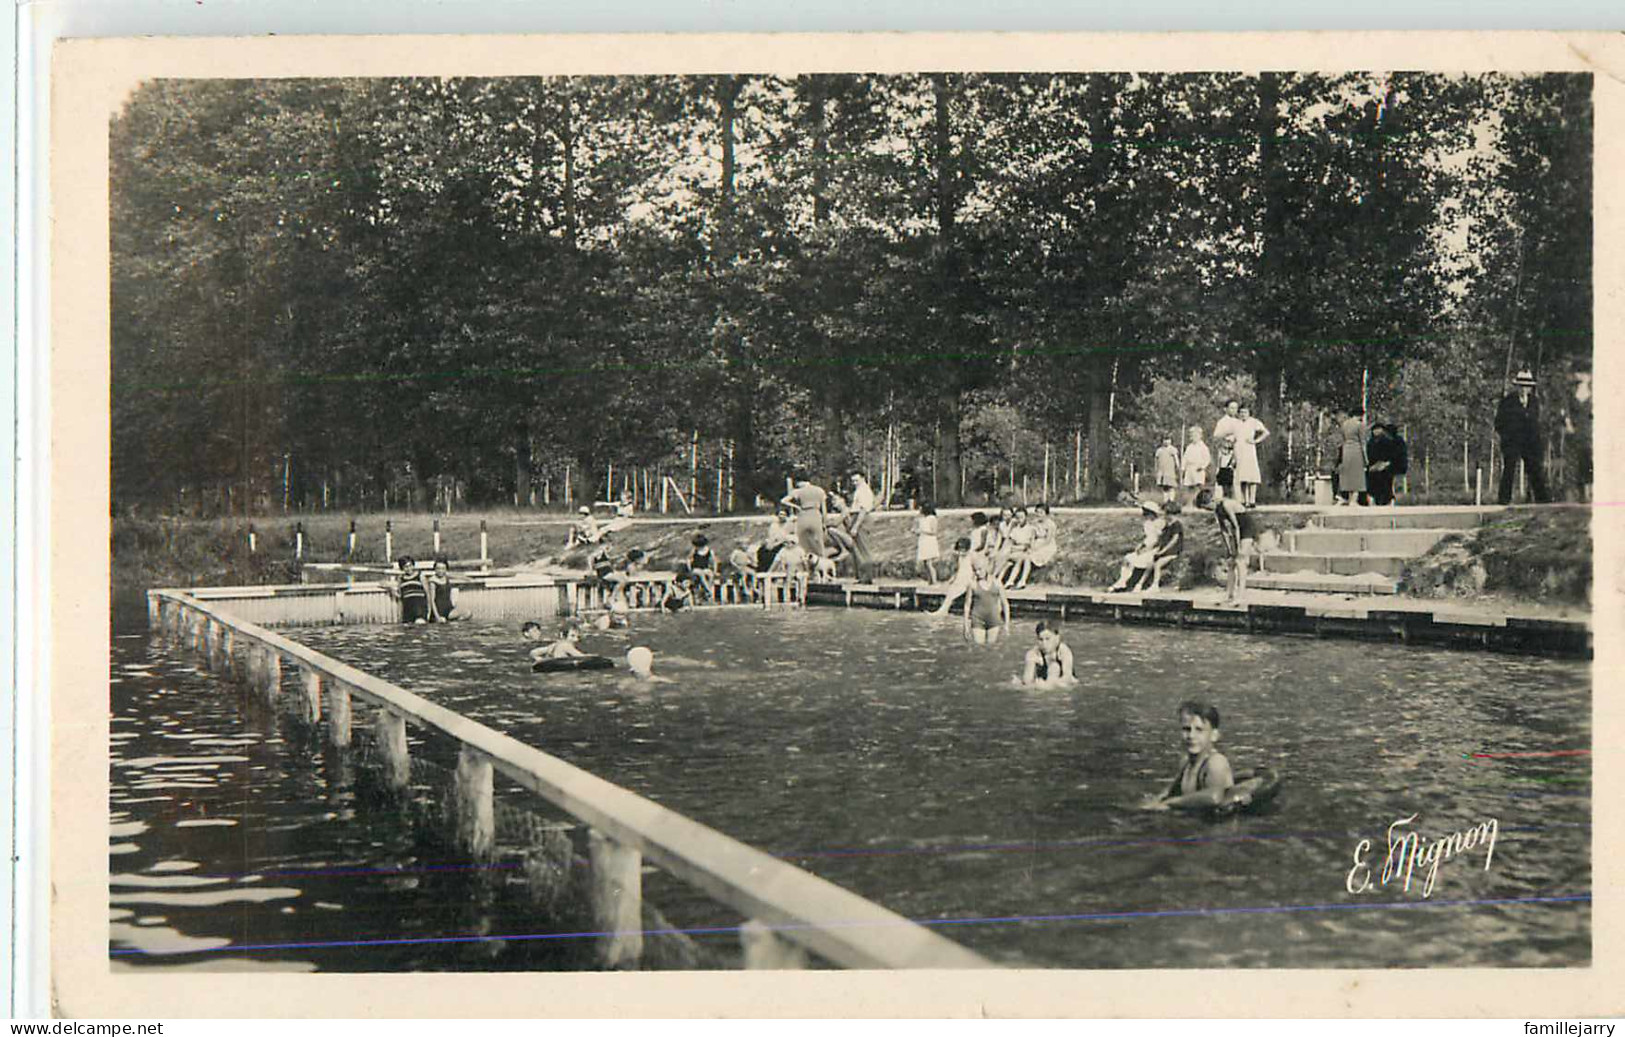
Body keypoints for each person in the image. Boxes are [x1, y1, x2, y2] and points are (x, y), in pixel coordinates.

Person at [1142, 700, 1236, 811]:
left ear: (1214, 735)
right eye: (1186, 729)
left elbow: (1214, 797)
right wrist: (1153, 802)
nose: (1191, 736)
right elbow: (1170, 791)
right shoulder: (1186, 762)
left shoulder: (1216, 762)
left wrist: (1170, 803)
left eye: (1199, 730)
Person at [1495, 369, 1551, 504]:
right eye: (1521, 386)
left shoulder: (1534, 402)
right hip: (1512, 441)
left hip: (1530, 442)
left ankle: (1542, 501)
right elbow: (1499, 422)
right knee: (1509, 469)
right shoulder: (1507, 401)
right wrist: (1507, 435)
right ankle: (1504, 500)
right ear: (1517, 386)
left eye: (1526, 386)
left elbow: (1536, 422)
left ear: (1530, 387)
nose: (1524, 389)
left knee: (1535, 469)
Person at [1108, 501, 1167, 593]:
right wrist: (1141, 545)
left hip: (1156, 548)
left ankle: (1139, 584)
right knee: (1128, 558)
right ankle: (1122, 581)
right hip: (1147, 547)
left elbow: (1159, 540)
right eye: (1145, 514)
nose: (1146, 516)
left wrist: (1148, 549)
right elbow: (1148, 538)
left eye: (1147, 513)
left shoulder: (1160, 523)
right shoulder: (1147, 523)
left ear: (1153, 513)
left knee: (1146, 559)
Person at [1214, 496, 1260, 602]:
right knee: (1231, 562)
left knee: (1240, 561)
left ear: (1211, 501)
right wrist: (1229, 549)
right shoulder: (1216, 510)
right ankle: (1229, 594)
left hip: (1247, 528)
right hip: (1238, 531)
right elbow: (1224, 530)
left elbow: (1236, 526)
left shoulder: (1226, 504)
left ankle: (1241, 593)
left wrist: (1238, 546)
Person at [961, 556, 1011, 646]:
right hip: (977, 619)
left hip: (994, 619)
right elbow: (967, 606)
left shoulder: (997, 583)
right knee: (979, 647)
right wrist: (966, 626)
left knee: (991, 648)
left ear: (986, 567)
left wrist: (1007, 624)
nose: (977, 573)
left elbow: (1005, 604)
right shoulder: (972, 584)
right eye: (975, 570)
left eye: (979, 569)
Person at [781, 474, 829, 564]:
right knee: (819, 542)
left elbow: (783, 501)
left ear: (799, 482)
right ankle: (822, 564)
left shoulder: (798, 491)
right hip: (815, 514)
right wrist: (824, 523)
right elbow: (824, 510)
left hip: (803, 515)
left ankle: (804, 565)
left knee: (801, 543)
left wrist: (796, 506)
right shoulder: (819, 490)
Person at [1020, 621, 1076, 687]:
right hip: (1044, 684)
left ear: (1057, 638)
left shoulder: (1064, 651)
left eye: (1048, 639)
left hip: (1061, 684)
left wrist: (1050, 684)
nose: (1044, 644)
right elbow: (1027, 681)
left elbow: (1067, 677)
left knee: (1055, 667)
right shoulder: (1033, 654)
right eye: (1041, 640)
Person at [1234, 404, 1270, 508]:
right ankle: (1244, 500)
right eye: (1241, 412)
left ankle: (1252, 500)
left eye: (1245, 412)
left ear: (1249, 413)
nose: (1243, 414)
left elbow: (1266, 432)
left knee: (1252, 476)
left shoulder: (1254, 422)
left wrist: (1255, 441)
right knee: (1242, 476)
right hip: (1239, 450)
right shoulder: (1236, 423)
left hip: (1249, 450)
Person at [1365, 423, 1408, 507]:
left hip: (1394, 465)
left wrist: (1384, 464)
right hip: (1380, 465)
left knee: (1384, 475)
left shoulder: (1394, 441)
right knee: (1374, 475)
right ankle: (1377, 497)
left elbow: (1395, 457)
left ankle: (1385, 498)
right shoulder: (1372, 442)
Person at [932, 536, 977, 617]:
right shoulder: (960, 557)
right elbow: (959, 569)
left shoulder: (972, 556)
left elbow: (976, 570)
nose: (961, 552)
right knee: (950, 592)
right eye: (959, 549)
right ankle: (943, 610)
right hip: (959, 579)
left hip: (967, 580)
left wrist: (973, 580)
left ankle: (942, 611)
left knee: (952, 593)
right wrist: (952, 578)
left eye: (963, 549)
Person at [1335, 405, 1368, 506]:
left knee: (1348, 474)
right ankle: (1354, 499)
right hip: (1356, 450)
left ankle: (1347, 497)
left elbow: (1342, 439)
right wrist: (1366, 458)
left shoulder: (1344, 424)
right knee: (1357, 475)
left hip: (1346, 450)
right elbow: (1363, 442)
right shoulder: (1360, 425)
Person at [1212, 400, 1244, 502]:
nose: (1234, 410)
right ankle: (1225, 498)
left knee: (1238, 475)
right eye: (1231, 408)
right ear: (1225, 409)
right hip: (1226, 451)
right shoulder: (1222, 422)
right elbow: (1216, 436)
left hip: (1238, 450)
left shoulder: (1239, 422)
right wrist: (1227, 433)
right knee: (1225, 475)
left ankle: (1239, 499)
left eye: (1236, 408)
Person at [1000, 507, 1036, 588]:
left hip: (1025, 552)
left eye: (1021, 517)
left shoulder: (1031, 529)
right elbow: (1010, 543)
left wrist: (1020, 548)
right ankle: (1010, 581)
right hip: (1016, 552)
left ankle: (1016, 581)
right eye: (1017, 518)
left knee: (1023, 558)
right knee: (1010, 559)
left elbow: (1030, 545)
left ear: (1026, 517)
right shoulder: (1015, 529)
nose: (1019, 520)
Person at [426, 557, 469, 622]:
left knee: (467, 613)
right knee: (443, 621)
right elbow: (432, 601)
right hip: (439, 611)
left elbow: (455, 576)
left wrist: (467, 578)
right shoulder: (433, 581)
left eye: (443, 569)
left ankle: (453, 622)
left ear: (446, 569)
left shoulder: (445, 576)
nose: (440, 571)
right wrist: (437, 617)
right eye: (438, 568)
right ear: (434, 569)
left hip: (449, 609)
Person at [1025, 503, 1058, 585]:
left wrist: (1037, 548)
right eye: (1037, 512)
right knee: (1025, 555)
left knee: (1032, 556)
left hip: (1047, 545)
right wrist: (1032, 546)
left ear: (1046, 514)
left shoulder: (1050, 524)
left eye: (1041, 513)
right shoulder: (1035, 523)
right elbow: (1033, 537)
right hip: (1037, 543)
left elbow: (1048, 540)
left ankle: (1024, 579)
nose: (1038, 515)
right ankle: (1023, 579)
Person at [1180, 426, 1211, 509]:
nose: (1193, 437)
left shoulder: (1203, 447)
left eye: (1195, 435)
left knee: (1198, 486)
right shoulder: (1189, 447)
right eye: (1192, 435)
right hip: (1190, 468)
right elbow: (1185, 458)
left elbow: (1207, 458)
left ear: (1200, 436)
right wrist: (1183, 468)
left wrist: (1202, 466)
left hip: (1198, 469)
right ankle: (1189, 504)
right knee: (1190, 487)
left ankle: (1199, 503)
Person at [757, 507, 796, 571]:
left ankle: (770, 571)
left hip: (784, 544)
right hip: (774, 544)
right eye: (780, 514)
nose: (781, 516)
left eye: (783, 515)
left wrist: (776, 544)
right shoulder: (774, 525)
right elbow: (771, 537)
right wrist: (770, 544)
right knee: (762, 551)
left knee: (773, 553)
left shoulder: (789, 525)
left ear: (786, 516)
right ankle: (762, 572)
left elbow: (787, 538)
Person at [396, 556, 430, 624]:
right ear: (402, 568)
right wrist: (399, 614)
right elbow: (400, 597)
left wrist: (429, 611)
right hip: (407, 610)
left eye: (410, 566)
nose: (409, 569)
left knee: (419, 625)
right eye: (406, 567)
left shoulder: (420, 576)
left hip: (420, 609)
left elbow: (428, 594)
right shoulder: (401, 579)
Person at [915, 502, 943, 583]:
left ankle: (934, 581)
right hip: (923, 541)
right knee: (925, 563)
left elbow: (934, 531)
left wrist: (922, 531)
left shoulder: (932, 518)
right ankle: (929, 580)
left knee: (929, 563)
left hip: (929, 541)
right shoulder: (922, 519)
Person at [688, 534, 719, 601]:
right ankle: (709, 591)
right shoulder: (694, 550)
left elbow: (714, 561)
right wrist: (690, 569)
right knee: (701, 573)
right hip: (696, 568)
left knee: (710, 574)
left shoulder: (709, 551)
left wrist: (715, 571)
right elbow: (688, 559)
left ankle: (707, 590)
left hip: (705, 568)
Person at [1153, 434, 1181, 503]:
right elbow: (1156, 461)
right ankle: (1165, 501)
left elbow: (1176, 459)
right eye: (1165, 440)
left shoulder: (1172, 449)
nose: (1166, 442)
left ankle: (1171, 501)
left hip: (1170, 471)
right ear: (1162, 441)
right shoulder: (1159, 450)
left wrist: (1178, 467)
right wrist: (1156, 470)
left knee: (1171, 486)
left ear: (1171, 441)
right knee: (1165, 487)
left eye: (1168, 440)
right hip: (1162, 471)